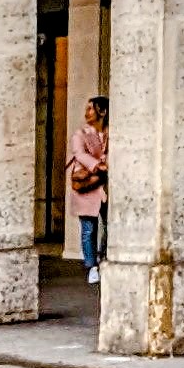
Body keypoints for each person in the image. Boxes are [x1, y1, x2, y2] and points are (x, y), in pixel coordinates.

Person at [64, 97, 108, 282]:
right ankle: (92, 266)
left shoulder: (111, 133)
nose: (87, 112)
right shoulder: (80, 133)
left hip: (105, 186)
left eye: (91, 109)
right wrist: (98, 165)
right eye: (87, 108)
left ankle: (105, 258)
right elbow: (79, 153)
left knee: (110, 226)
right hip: (88, 184)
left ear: (103, 112)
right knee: (88, 228)